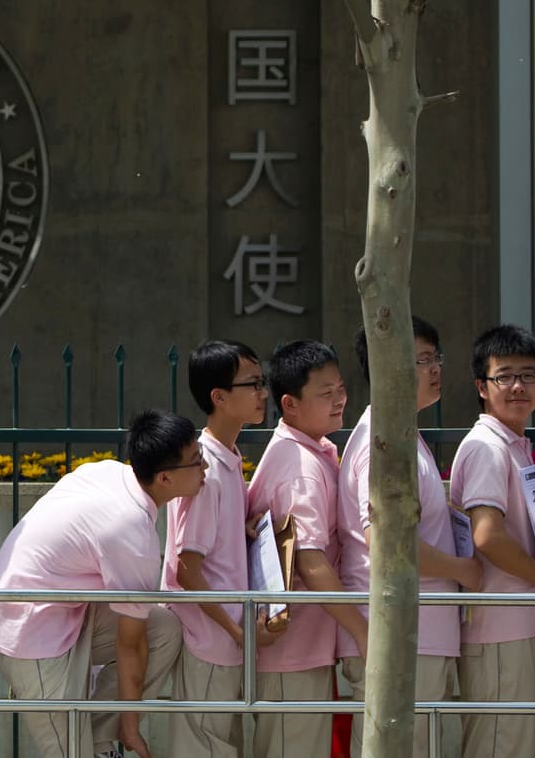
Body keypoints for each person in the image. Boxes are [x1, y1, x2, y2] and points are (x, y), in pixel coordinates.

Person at [0, 409, 197, 758]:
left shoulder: (109, 471)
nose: (205, 467)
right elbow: (130, 646)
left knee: (164, 628)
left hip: (63, 611)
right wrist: (132, 726)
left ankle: (96, 736)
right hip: (27, 632)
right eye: (197, 461)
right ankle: (88, 740)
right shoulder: (131, 533)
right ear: (165, 478)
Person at [337, 318, 483, 758]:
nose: (434, 368)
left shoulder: (401, 434)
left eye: (434, 357)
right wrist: (463, 568)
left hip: (415, 632)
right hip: (398, 634)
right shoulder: (381, 442)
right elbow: (386, 543)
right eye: (420, 360)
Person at [161, 341, 280, 757]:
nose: (262, 392)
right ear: (219, 397)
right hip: (209, 639)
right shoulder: (205, 469)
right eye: (252, 384)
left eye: (261, 382)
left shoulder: (226, 457)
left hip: (223, 639)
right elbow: (186, 568)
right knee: (206, 748)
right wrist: (236, 631)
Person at [247, 340, 361, 757]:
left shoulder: (310, 451)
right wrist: (363, 631)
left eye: (341, 389)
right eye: (325, 393)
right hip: (292, 654)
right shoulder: (300, 469)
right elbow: (312, 563)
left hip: (302, 648)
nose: (338, 401)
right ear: (290, 404)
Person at [449, 325, 535, 758]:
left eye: (529, 375)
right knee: (500, 745)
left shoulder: (513, 444)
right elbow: (487, 535)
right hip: (498, 628)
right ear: (482, 386)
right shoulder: (487, 448)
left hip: (519, 623)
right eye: (505, 376)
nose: (518, 386)